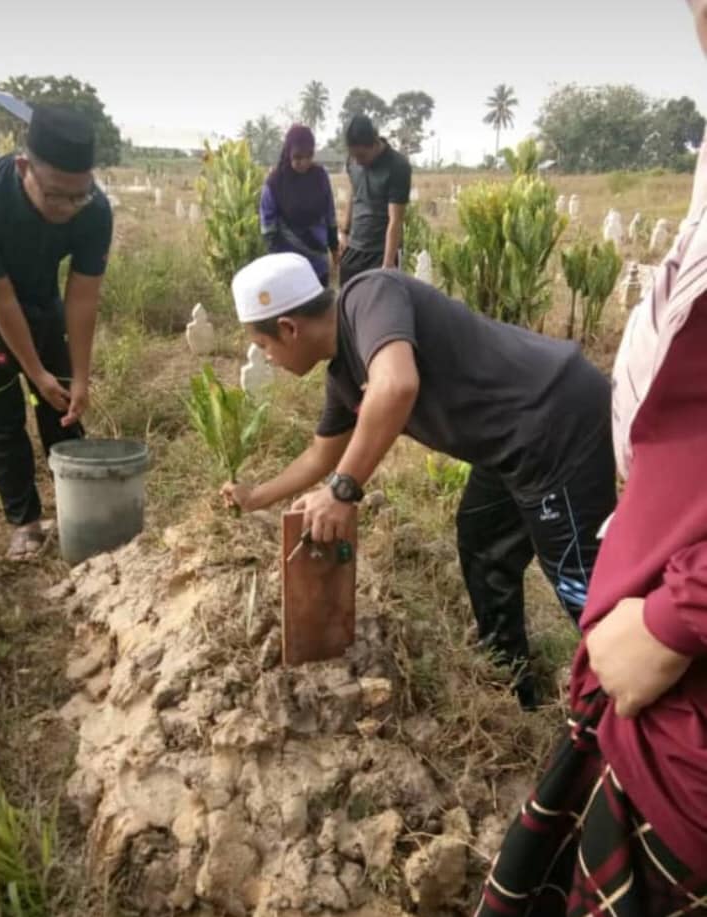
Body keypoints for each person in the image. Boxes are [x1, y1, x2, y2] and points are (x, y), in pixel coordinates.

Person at [475, 4, 707, 912]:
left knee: (553, 548)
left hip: (677, 720)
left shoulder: (373, 326)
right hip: (644, 697)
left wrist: (673, 617)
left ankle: (545, 631)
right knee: (483, 542)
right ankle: (512, 650)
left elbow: (386, 404)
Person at [223, 254, 617, 709]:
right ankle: (512, 683)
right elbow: (319, 455)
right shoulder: (344, 376)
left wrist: (342, 491)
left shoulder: (369, 295)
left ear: (289, 328)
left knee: (583, 583)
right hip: (508, 444)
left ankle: (651, 697)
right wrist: (256, 497)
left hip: (555, 418)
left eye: (263, 344)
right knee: (483, 542)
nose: (266, 358)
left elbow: (395, 386)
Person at [0, 105, 113, 559]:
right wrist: (33, 371)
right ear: (24, 167)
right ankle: (24, 520)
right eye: (56, 196)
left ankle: (74, 506)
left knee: (62, 403)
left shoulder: (94, 210)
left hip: (41, 301)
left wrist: (77, 376)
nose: (68, 208)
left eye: (78, 196)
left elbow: (83, 298)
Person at [260, 125, 339, 286]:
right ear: (288, 152)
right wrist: (277, 266)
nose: (304, 162)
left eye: (308, 156)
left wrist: (335, 250)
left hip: (319, 264)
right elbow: (269, 230)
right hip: (288, 269)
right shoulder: (275, 183)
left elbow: (330, 215)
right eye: (297, 157)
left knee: (321, 309)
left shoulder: (320, 176)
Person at [339, 115, 411, 286]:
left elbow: (396, 219)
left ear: (374, 143)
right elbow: (354, 193)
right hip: (354, 248)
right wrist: (344, 231)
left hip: (381, 251)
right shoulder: (352, 161)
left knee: (379, 308)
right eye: (353, 155)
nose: (357, 161)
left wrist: (387, 264)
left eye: (361, 156)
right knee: (347, 303)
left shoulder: (397, 166)